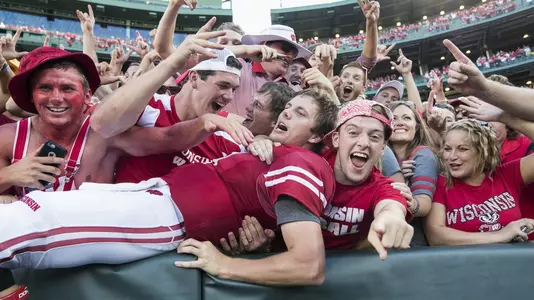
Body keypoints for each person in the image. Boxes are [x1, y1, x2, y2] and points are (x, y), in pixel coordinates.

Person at [0, 89, 339, 290]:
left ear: (315, 136)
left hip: (171, 217)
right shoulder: (276, 152)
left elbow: (309, 265)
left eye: (300, 114)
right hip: (157, 197)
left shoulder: (303, 164)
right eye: (289, 108)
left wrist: (225, 266)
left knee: (41, 219)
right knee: (36, 221)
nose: (286, 114)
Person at [244, 100, 413, 259]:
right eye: (353, 133)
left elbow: (391, 206)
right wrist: (262, 140)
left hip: (338, 278)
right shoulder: (307, 161)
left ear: (383, 147)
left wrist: (391, 219)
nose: (364, 143)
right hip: (285, 269)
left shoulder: (382, 187)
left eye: (374, 137)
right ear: (336, 139)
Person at [91, 47, 254, 183]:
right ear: (194, 77)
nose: (229, 96)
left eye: (234, 89)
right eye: (223, 85)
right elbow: (101, 124)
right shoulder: (149, 107)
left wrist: (262, 141)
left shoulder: (225, 133)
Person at [425, 108, 534, 245]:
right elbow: (436, 236)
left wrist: (507, 118)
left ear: (483, 152)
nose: (452, 157)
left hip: (511, 262)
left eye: (463, 149)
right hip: (467, 264)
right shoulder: (441, 183)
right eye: (447, 149)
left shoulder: (507, 174)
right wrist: (501, 235)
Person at [388, 101, 439, 246]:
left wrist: (408, 201)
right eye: (394, 118)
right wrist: (397, 173)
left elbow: (423, 205)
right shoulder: (379, 155)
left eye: (406, 118)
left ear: (416, 126)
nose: (399, 123)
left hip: (412, 240)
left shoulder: (424, 154)